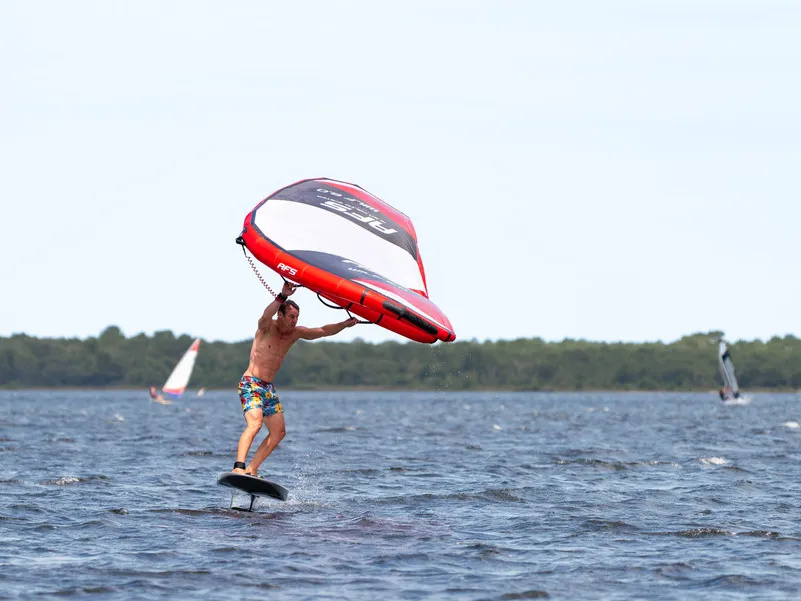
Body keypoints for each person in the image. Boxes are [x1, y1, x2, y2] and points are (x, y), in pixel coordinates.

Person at [232, 281, 358, 477]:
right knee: (255, 424)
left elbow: (323, 331)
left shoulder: (295, 333)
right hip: (251, 384)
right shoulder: (267, 327)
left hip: (268, 389)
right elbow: (266, 314)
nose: (294, 321)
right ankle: (238, 467)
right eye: (291, 316)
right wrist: (281, 295)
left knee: (279, 433)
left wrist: (344, 325)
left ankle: (252, 469)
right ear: (280, 315)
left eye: (297, 317)